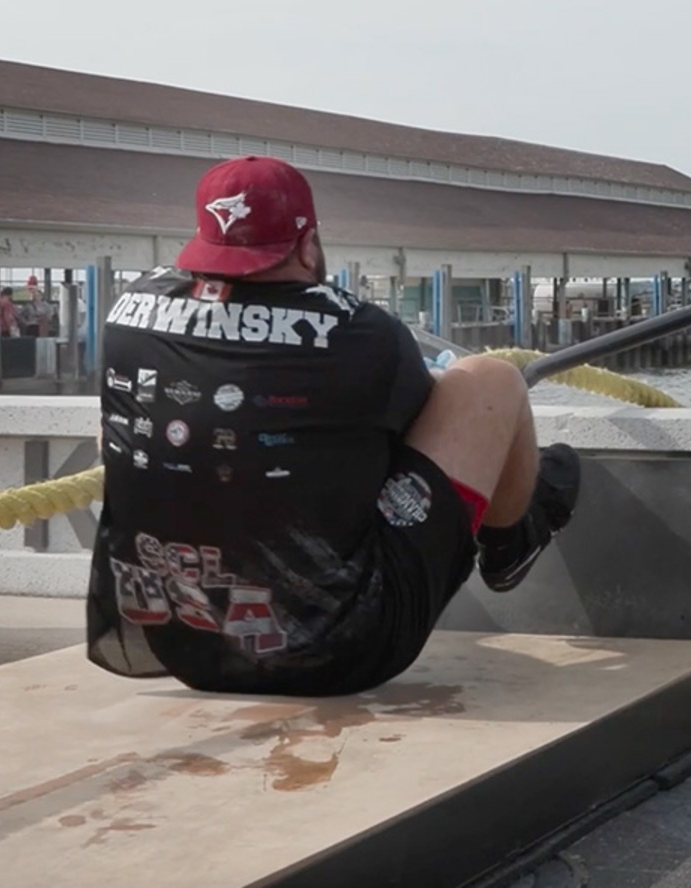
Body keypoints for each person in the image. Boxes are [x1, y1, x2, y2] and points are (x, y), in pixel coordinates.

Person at [86, 155, 580, 697]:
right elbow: (427, 428)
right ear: (307, 243)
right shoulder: (361, 332)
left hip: (180, 641)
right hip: (344, 651)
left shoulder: (126, 313)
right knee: (489, 380)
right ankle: (512, 543)